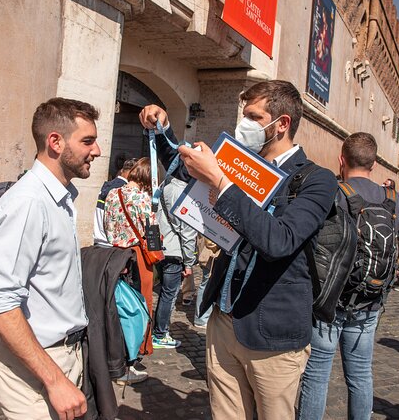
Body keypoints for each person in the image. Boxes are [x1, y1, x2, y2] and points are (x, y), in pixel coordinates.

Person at [139, 80, 337, 419]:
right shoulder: (238, 163)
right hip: (224, 321)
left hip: (272, 333)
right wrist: (163, 128)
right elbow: (185, 168)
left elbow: (280, 240)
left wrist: (221, 182)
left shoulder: (316, 179)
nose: (242, 124)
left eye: (253, 117)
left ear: (282, 124)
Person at [297, 132, 399, 420]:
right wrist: (395, 270)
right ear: (373, 164)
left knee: (316, 376)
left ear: (341, 160)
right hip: (370, 302)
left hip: (328, 302)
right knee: (361, 376)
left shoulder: (332, 193)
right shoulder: (393, 200)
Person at [0, 97, 101, 420]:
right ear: (55, 142)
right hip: (36, 371)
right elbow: (0, 305)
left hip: (64, 358)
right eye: (87, 141)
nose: (97, 151)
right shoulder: (29, 203)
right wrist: (54, 380)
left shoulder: (60, 200)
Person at [104, 157, 157, 363]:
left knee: (118, 302)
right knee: (141, 302)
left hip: (114, 253)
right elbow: (151, 230)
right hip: (137, 255)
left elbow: (107, 223)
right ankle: (138, 348)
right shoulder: (142, 199)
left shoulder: (111, 194)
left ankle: (116, 345)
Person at [153, 176, 197, 348]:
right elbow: (188, 232)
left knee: (162, 293)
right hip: (174, 251)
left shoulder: (165, 186)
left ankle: (156, 330)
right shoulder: (184, 193)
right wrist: (189, 262)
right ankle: (160, 334)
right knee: (169, 295)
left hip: (160, 246)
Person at [93, 157, 137, 247]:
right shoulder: (123, 190)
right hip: (111, 246)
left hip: (99, 242)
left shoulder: (108, 186)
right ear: (134, 173)